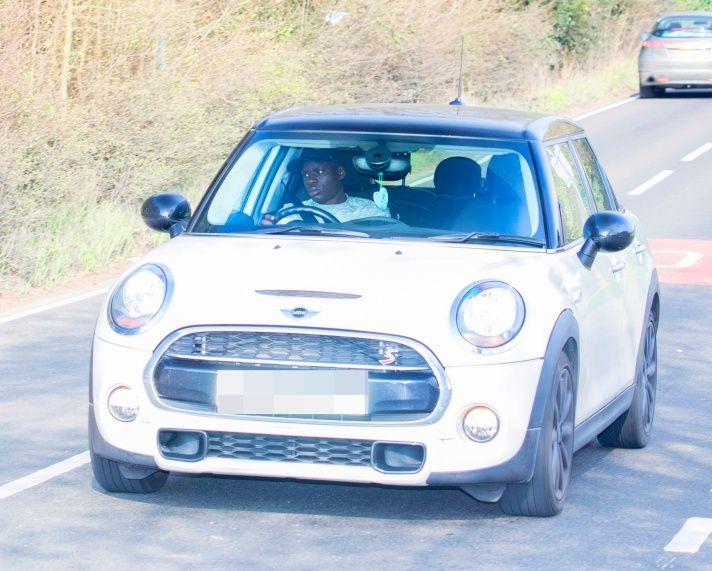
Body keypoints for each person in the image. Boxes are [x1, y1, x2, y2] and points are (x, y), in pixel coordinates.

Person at [262, 150, 390, 224]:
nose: (310, 180)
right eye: (305, 174)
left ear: (340, 173)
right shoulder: (291, 211)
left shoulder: (370, 211)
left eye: (319, 172)